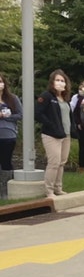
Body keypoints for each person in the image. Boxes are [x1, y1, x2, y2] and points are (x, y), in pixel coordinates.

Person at [35, 69, 74, 198]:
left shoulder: (65, 98)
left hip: (65, 134)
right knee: (54, 162)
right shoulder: (47, 96)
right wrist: (50, 124)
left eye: (62, 81)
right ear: (52, 82)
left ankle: (58, 187)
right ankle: (49, 190)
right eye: (57, 80)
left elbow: (68, 115)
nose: (60, 83)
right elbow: (38, 113)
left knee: (62, 162)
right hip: (52, 134)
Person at [0, 72, 22, 200]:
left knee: (6, 162)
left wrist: (5, 116)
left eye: (0, 81)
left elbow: (20, 115)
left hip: (8, 135)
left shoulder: (13, 99)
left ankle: (6, 191)